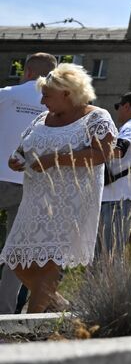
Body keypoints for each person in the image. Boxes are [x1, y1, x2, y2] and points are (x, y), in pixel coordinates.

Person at [1, 64, 116, 312]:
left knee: (48, 266)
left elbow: (102, 154)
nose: (42, 102)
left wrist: (55, 160)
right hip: (34, 200)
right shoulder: (42, 118)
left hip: (70, 201)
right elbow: (24, 148)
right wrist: (16, 159)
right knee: (15, 258)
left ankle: (30, 326)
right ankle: (62, 308)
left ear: (67, 93)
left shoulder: (96, 117)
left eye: (47, 95)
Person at [0, 52, 57, 313]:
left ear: (27, 72)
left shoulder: (7, 93)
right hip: (33, 186)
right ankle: (5, 312)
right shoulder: (57, 106)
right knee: (16, 252)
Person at [97, 89, 131, 256]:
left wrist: (92, 148)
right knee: (109, 253)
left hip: (119, 198)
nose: (117, 110)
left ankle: (107, 283)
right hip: (122, 196)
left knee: (108, 254)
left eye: (118, 106)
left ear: (127, 106)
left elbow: (119, 150)